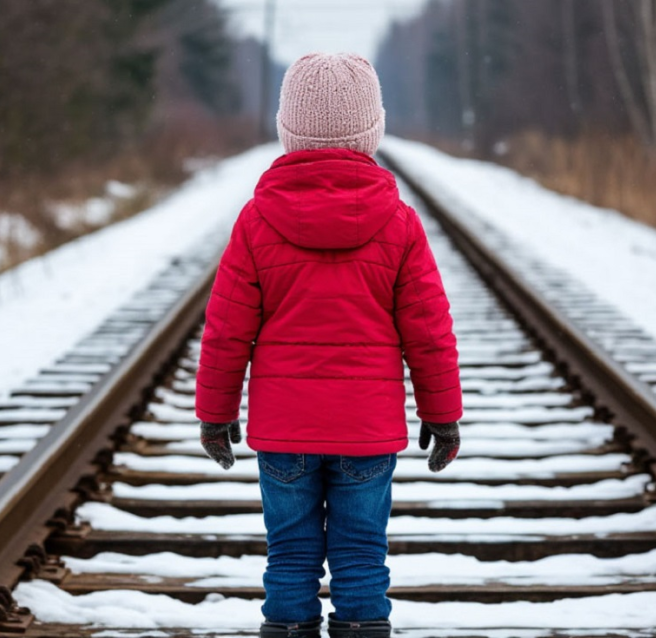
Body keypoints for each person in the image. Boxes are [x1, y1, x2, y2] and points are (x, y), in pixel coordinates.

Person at [194, 52, 462, 638]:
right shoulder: (399, 223)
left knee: (289, 557)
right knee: (362, 556)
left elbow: (226, 330)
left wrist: (215, 414)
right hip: (366, 433)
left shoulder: (256, 221)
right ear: (372, 131)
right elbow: (429, 332)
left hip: (283, 433)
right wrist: (442, 415)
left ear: (288, 130)